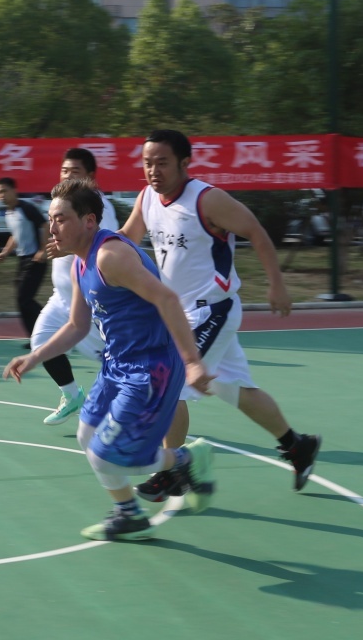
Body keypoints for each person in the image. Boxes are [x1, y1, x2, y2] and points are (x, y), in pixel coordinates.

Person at [4, 178, 217, 542]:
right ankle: (129, 514)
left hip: (152, 368)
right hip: (117, 365)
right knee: (87, 436)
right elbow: (77, 325)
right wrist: (35, 356)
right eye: (51, 219)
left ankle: (187, 460)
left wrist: (193, 362)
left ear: (89, 221)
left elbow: (167, 299)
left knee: (109, 454)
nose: (52, 228)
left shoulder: (110, 256)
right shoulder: (80, 263)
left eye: (61, 219)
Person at [118, 129, 321, 496]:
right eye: (147, 163)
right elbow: (126, 239)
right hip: (179, 315)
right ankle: (297, 446)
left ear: (184, 163)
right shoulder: (147, 198)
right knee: (236, 390)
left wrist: (277, 284)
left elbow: (256, 231)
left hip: (212, 310)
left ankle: (173, 471)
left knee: (171, 384)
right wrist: (89, 250)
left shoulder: (207, 200)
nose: (153, 170)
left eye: (162, 163)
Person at [34, 148, 120, 425]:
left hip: (89, 302)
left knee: (113, 361)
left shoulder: (98, 208)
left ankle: (144, 404)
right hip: (61, 297)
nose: (68, 176)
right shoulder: (62, 203)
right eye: (64, 171)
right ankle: (72, 396)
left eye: (75, 172)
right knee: (41, 341)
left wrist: (67, 249)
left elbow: (103, 245)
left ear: (91, 177)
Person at [0, 177, 49, 345]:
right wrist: (5, 252)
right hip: (23, 260)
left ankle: (54, 328)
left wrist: (43, 250)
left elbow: (45, 225)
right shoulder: (9, 213)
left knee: (24, 299)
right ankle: (36, 338)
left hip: (35, 259)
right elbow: (15, 235)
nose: (1, 195)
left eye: (4, 191)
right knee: (22, 301)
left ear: (14, 190)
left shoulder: (26, 208)